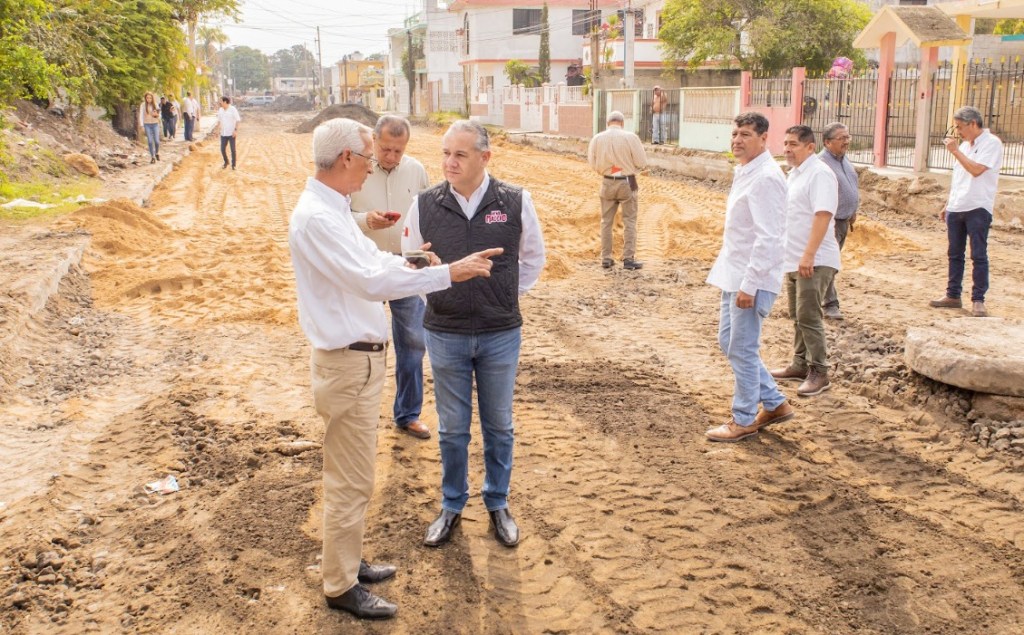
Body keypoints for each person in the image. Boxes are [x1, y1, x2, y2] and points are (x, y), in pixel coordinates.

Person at [289, 117, 503, 620]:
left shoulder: (334, 209)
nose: (371, 170)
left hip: (357, 363)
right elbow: (368, 280)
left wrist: (416, 266)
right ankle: (340, 584)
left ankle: (346, 560)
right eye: (367, 159)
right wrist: (447, 273)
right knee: (350, 478)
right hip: (347, 365)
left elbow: (372, 259)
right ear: (346, 159)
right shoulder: (319, 218)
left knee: (353, 474)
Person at [403, 120, 546, 549]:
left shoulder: (515, 201)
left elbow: (533, 258)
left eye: (460, 154)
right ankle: (451, 504)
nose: (449, 162)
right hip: (445, 333)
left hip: (500, 333)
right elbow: (411, 262)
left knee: (499, 424)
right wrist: (437, 288)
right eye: (446, 152)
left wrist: (499, 294)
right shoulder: (424, 205)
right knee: (452, 429)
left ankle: (497, 502)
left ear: (485, 157)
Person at [705, 112, 792, 443]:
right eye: (735, 134)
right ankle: (774, 403)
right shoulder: (747, 171)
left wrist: (750, 284)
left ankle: (743, 419)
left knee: (741, 348)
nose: (737, 140)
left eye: (745, 135)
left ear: (763, 138)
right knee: (729, 343)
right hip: (734, 274)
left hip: (750, 280)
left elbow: (769, 238)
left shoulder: (766, 177)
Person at [349, 115, 432, 440]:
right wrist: (365, 220)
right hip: (363, 266)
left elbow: (429, 214)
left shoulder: (416, 170)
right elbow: (337, 216)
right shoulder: (356, 168)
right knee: (358, 343)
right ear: (374, 140)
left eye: (399, 151)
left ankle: (408, 414)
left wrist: (426, 248)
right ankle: (357, 417)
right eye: (386, 149)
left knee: (412, 342)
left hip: (405, 266)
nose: (392, 157)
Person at [771, 125, 840, 398]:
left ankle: (819, 371)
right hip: (793, 258)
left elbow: (822, 216)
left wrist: (809, 255)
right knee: (797, 315)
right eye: (785, 144)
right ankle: (800, 364)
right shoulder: (795, 174)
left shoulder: (820, 174)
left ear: (810, 147)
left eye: (794, 145)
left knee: (810, 316)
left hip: (815, 259)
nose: (787, 149)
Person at [929, 106, 1002, 318]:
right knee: (954, 254)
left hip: (977, 206)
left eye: (960, 127)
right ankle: (953, 295)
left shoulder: (991, 144)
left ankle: (978, 300)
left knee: (978, 255)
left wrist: (955, 151)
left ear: (973, 124)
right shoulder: (965, 146)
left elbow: (977, 170)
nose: (958, 132)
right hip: (957, 206)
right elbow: (960, 178)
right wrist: (948, 203)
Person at [587, 110, 648, 270]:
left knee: (606, 222)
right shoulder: (630, 137)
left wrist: (613, 170)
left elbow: (593, 165)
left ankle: (606, 258)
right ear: (622, 123)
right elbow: (642, 162)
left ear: (608, 123)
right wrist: (623, 169)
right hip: (628, 182)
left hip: (607, 183)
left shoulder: (597, 138)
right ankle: (628, 259)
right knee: (630, 221)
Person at [818, 122, 859, 321]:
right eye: (841, 138)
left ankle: (818, 299)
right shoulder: (821, 164)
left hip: (843, 220)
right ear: (827, 142)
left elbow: (849, 186)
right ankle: (829, 304)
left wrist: (853, 210)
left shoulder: (844, 160)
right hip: (829, 222)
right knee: (828, 265)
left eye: (847, 137)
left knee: (830, 264)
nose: (846, 142)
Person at [217, 96, 241, 170]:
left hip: (231, 133)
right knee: (222, 149)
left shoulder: (232, 109)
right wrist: (217, 130)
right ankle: (226, 161)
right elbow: (219, 120)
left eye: (220, 101)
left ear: (225, 102)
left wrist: (235, 130)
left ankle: (234, 165)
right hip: (223, 133)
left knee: (233, 150)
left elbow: (238, 120)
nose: (219, 102)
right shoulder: (220, 110)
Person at [139, 92, 161, 163]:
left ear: (152, 98)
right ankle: (153, 157)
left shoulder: (156, 105)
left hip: (155, 124)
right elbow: (141, 115)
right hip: (147, 124)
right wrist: (142, 126)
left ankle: (157, 152)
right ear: (145, 98)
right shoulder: (143, 105)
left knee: (157, 141)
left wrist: (156, 115)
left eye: (150, 98)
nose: (149, 99)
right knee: (150, 141)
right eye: (147, 98)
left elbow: (160, 115)